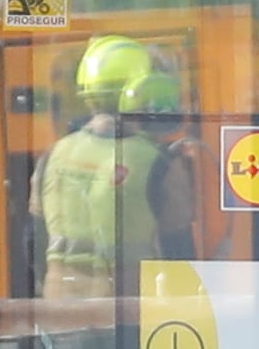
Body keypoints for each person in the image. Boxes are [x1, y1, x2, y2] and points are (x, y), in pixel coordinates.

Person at [35, 34, 192, 299]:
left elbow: (34, 241)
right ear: (141, 87)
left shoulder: (54, 155)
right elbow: (180, 251)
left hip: (60, 311)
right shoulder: (159, 162)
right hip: (128, 313)